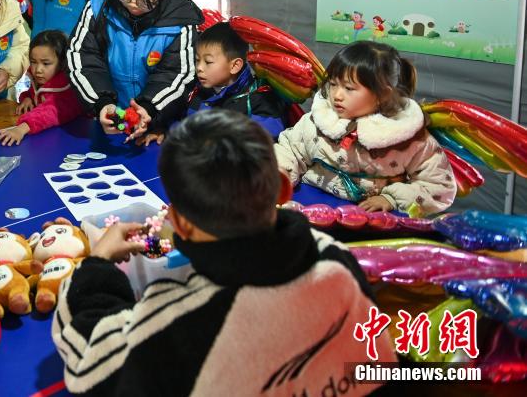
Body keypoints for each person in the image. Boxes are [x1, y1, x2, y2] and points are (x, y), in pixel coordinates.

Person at [52, 109, 394, 396]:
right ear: (283, 188)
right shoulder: (335, 258)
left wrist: (96, 266)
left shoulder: (183, 321)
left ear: (179, 225)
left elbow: (92, 366)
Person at [275, 40, 456, 215]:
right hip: (309, 203)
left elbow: (439, 186)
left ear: (382, 94)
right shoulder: (318, 121)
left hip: (371, 216)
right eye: (332, 84)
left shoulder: (409, 137)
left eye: (349, 88)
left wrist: (391, 199)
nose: (337, 95)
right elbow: (289, 150)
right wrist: (279, 174)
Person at [67, 0, 202, 142]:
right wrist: (102, 103)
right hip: (109, 118)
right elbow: (81, 57)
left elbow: (178, 75)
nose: (132, 3)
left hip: (158, 121)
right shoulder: (97, 7)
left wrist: (150, 110)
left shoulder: (181, 20)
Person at [148, 22, 287, 143]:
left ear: (234, 66)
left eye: (208, 62)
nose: (199, 68)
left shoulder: (258, 96)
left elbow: (271, 132)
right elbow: (182, 122)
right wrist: (165, 131)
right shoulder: (197, 90)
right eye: (197, 60)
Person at [0, 30, 85, 146]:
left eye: (46, 63)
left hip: (73, 140)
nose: (38, 69)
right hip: (50, 136)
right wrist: (27, 98)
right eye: (33, 62)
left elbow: (51, 110)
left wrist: (21, 128)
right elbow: (34, 92)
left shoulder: (69, 88)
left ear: (63, 63)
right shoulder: (43, 79)